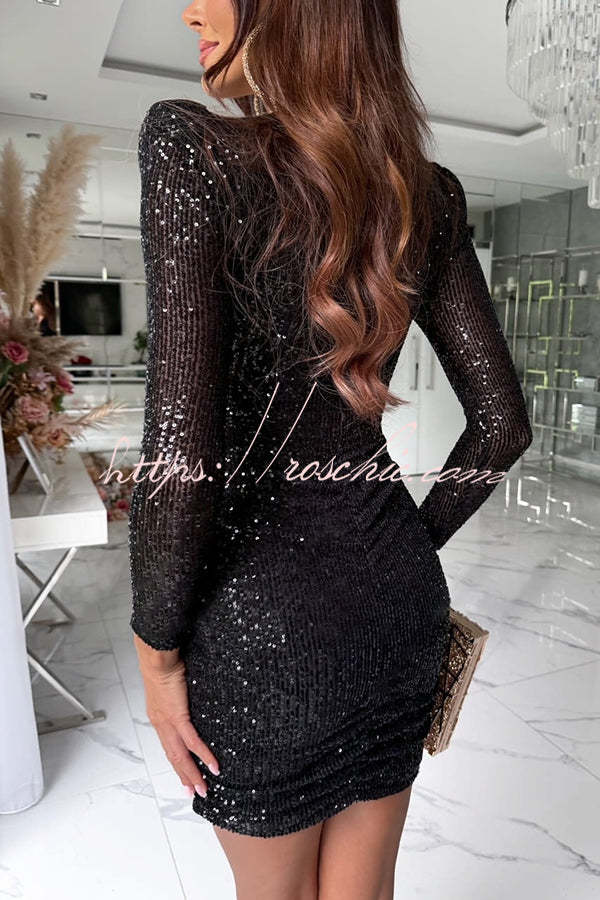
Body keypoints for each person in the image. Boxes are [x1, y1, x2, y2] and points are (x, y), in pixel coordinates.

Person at [128, 2, 533, 898]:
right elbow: (502, 424)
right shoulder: (427, 194)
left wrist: (157, 655)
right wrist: (406, 544)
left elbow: (180, 455)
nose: (189, 9)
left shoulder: (192, 148)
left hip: (261, 627)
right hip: (398, 606)